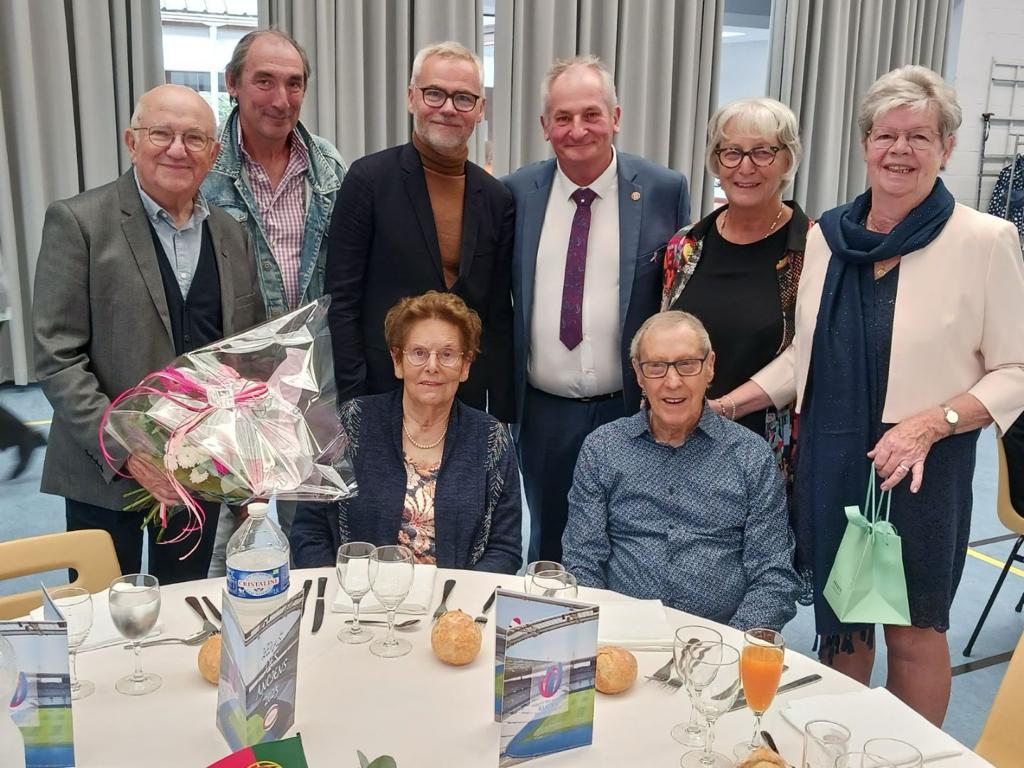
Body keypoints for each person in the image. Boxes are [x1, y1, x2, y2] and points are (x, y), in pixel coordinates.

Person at [722, 66, 1024, 724]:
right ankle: (840, 746)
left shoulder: (984, 240)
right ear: (864, 144)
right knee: (844, 628)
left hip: (921, 465)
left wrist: (934, 422)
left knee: (914, 632)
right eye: (887, 134)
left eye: (921, 136)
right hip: (834, 456)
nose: (900, 150)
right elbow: (806, 355)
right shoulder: (829, 237)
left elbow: (1016, 370)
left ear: (947, 148)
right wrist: (730, 403)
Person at [33, 84, 264, 583]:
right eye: (161, 133)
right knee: (104, 613)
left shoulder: (231, 235)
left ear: (213, 154)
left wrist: (248, 463)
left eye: (194, 138)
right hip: (105, 469)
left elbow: (245, 357)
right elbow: (58, 358)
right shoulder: (78, 223)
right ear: (131, 141)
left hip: (198, 473)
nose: (177, 149)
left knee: (186, 608)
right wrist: (129, 453)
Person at [503, 55, 690, 563]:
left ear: (616, 117)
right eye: (562, 118)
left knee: (635, 546)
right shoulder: (517, 192)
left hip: (630, 408)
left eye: (591, 114)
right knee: (548, 546)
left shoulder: (662, 190)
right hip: (542, 411)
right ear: (545, 126)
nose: (577, 129)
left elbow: (678, 298)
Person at [561, 312, 800, 631]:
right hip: (622, 636)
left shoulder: (750, 456)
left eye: (687, 364)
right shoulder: (602, 449)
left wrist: (727, 649)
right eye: (656, 367)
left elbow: (774, 578)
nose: (672, 382)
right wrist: (603, 635)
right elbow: (582, 561)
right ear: (638, 374)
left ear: (710, 366)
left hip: (721, 639)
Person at [202, 29, 346, 554]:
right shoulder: (204, 170)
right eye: (264, 81)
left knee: (318, 527)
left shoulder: (328, 167)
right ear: (233, 84)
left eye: (293, 83)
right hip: (229, 379)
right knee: (232, 535)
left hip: (311, 375)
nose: (280, 99)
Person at [326, 41, 514, 423]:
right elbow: (341, 300)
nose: (447, 108)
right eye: (434, 94)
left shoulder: (496, 198)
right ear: (412, 98)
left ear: (480, 109)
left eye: (463, 98)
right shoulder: (369, 180)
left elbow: (497, 314)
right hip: (381, 394)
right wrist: (353, 401)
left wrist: (500, 409)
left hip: (464, 399)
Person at [291, 292, 521, 574]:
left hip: (454, 607)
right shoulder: (351, 423)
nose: (432, 366)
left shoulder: (491, 439)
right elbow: (309, 534)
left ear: (466, 366)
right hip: (356, 601)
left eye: (447, 355)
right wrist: (346, 593)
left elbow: (504, 550)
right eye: (419, 353)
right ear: (398, 361)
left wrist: (455, 604)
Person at [663, 98, 807, 474]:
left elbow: (810, 356)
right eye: (732, 152)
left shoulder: (813, 249)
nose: (745, 167)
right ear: (716, 161)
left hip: (769, 454)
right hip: (684, 442)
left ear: (787, 160)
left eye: (763, 152)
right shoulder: (685, 246)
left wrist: (723, 409)